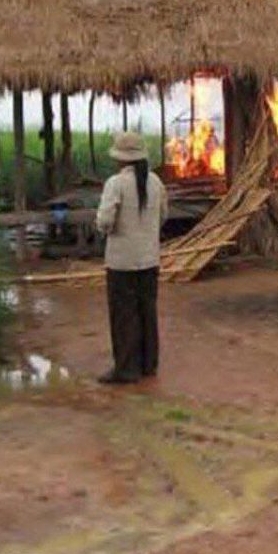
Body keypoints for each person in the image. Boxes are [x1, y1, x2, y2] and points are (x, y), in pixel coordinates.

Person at [94, 131, 168, 384]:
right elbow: (163, 216)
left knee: (124, 314)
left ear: (121, 159)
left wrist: (106, 229)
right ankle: (149, 364)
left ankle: (126, 368)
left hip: (121, 262)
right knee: (147, 311)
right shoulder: (156, 183)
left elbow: (104, 221)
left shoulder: (115, 184)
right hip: (149, 259)